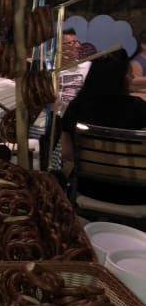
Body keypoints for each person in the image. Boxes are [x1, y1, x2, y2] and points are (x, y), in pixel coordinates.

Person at [60, 49, 146, 204]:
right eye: (129, 74)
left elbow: (67, 153)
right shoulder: (138, 108)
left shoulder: (76, 106)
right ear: (120, 79)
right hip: (133, 194)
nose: (132, 78)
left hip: (87, 188)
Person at [56, 28, 91, 116]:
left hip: (76, 117)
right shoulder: (49, 69)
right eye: (72, 43)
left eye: (77, 42)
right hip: (53, 117)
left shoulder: (87, 67)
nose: (78, 46)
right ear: (59, 47)